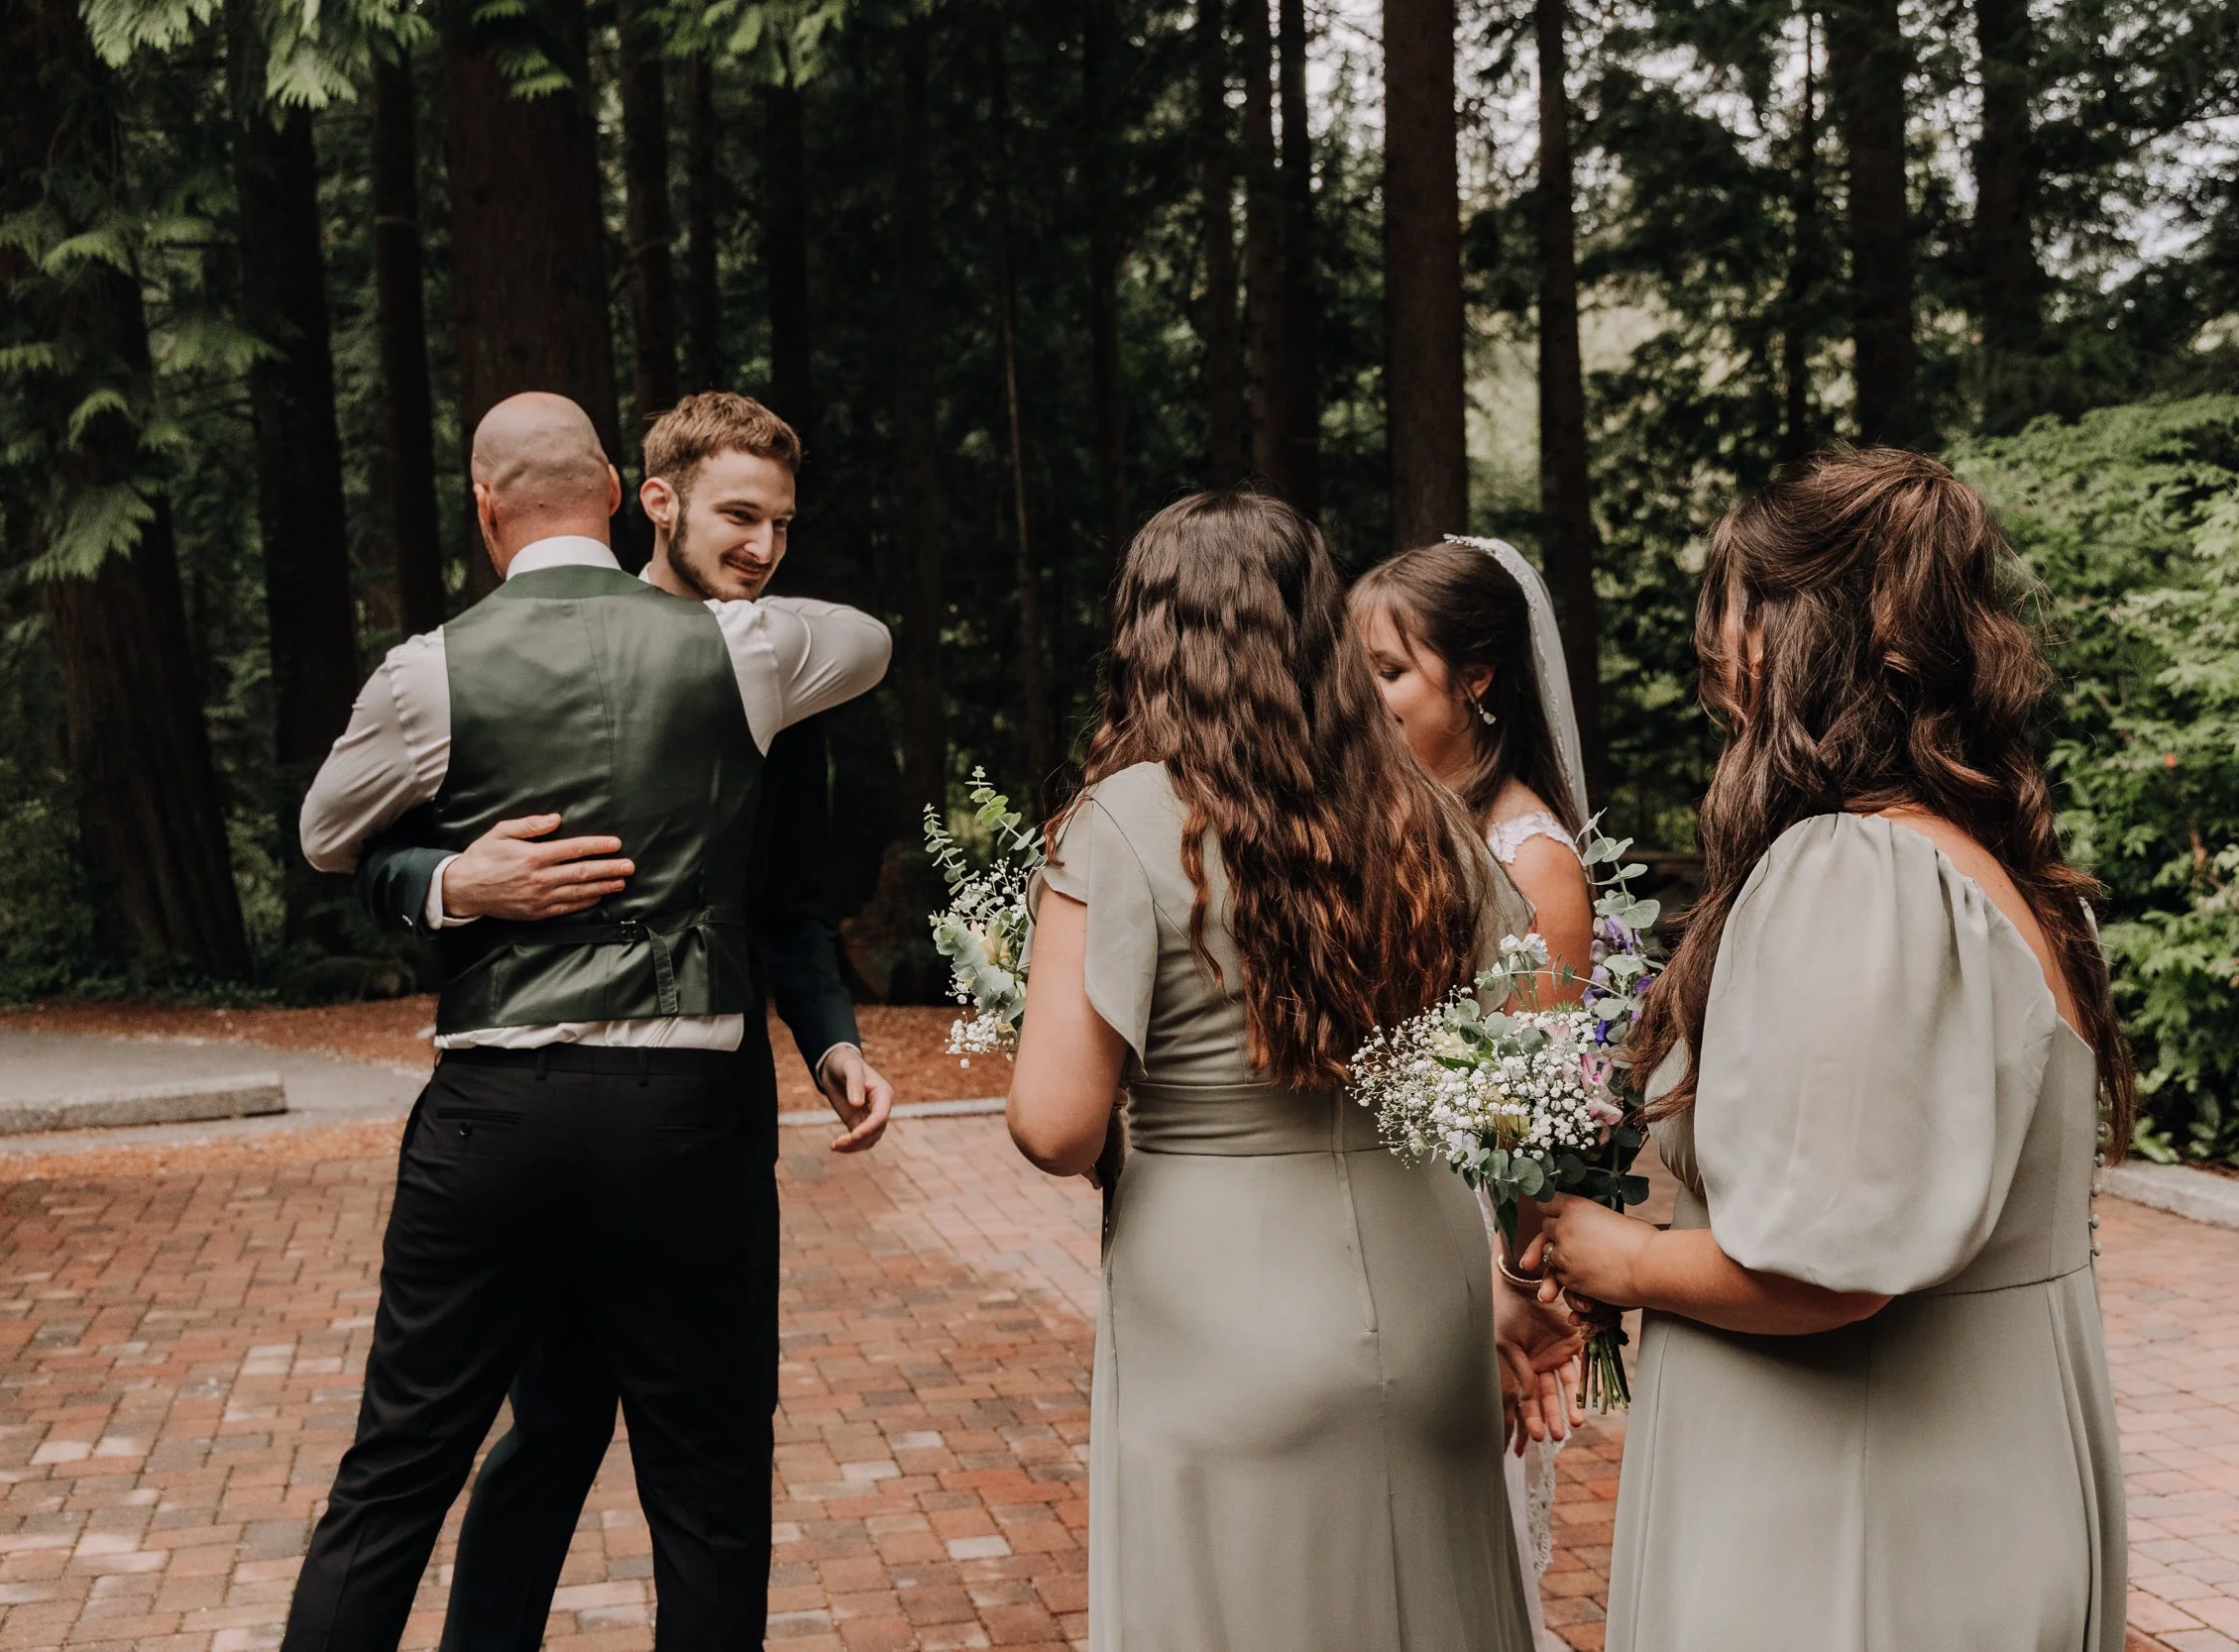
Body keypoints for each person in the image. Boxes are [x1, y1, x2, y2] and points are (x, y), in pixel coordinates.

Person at [286, 390, 892, 1652]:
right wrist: (458, 878)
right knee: (703, 1488)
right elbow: (870, 637)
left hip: (496, 1118)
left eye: (779, 522)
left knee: (393, 1475)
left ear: (485, 505)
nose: (764, 545)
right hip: (675, 1124)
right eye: (742, 516)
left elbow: (323, 833)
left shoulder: (427, 668)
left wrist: (830, 1034)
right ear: (630, 495)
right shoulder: (758, 656)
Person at [1532, 447, 2133, 1652]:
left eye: (1733, 613)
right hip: (1961, 1471)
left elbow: (1830, 1260)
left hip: (1852, 1511)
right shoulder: (1983, 863)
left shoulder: (1859, 872)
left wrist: (1619, 1258)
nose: (1716, 660)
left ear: (1790, 633)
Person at [1006, 491, 1537, 1652]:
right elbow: (1513, 1045)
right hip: (1425, 1286)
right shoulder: (1424, 814)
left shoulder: (1127, 820)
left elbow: (1053, 1121)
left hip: (1218, 1298)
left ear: (1147, 637)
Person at [1352, 536, 1598, 1640]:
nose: (1362, 700)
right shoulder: (1367, 821)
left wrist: (1506, 1291)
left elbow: (1535, 1123)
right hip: (1350, 1232)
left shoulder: (1531, 860)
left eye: (1388, 673)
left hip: (1464, 1258)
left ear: (1479, 677)